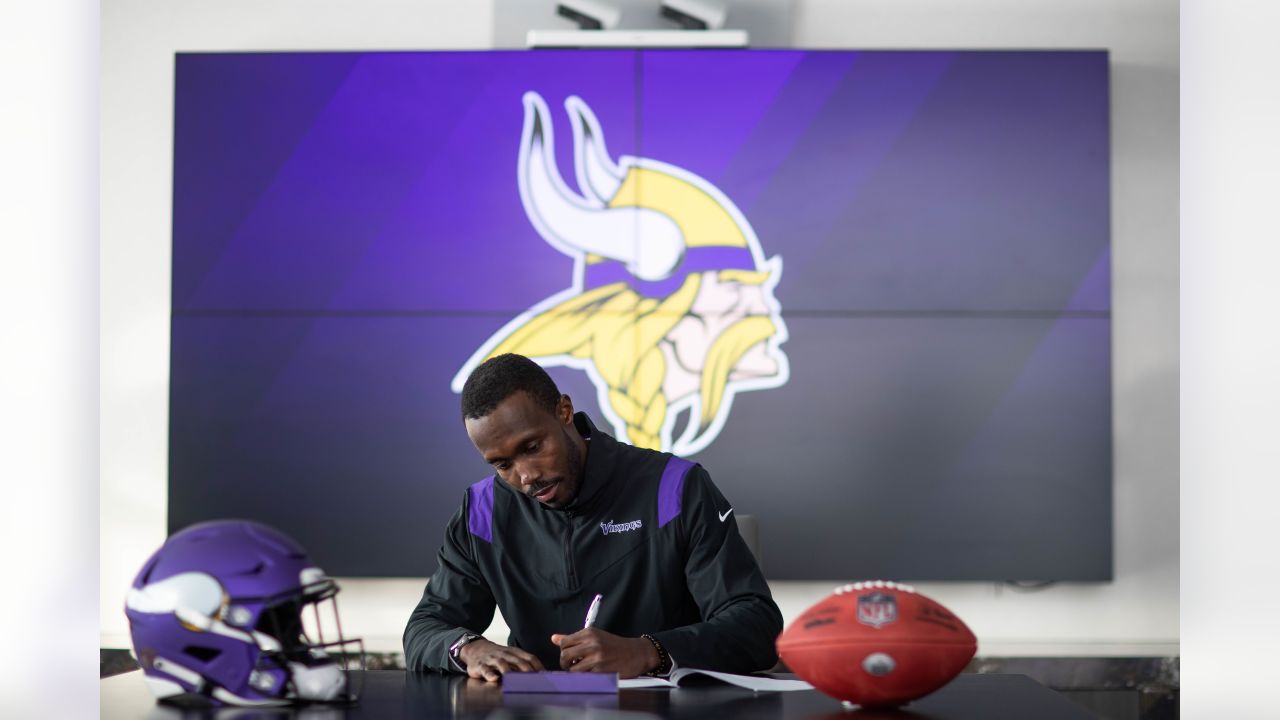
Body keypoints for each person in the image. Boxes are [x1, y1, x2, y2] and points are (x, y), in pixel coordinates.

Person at [404, 353, 783, 681]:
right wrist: (469, 649)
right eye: (503, 464)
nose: (526, 476)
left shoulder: (675, 487)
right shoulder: (482, 511)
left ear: (564, 411)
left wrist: (649, 652)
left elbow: (756, 626)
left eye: (533, 447)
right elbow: (424, 628)